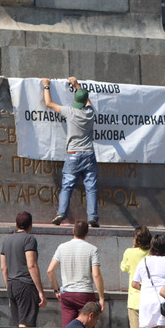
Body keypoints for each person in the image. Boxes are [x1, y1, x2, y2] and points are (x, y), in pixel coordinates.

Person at [43, 76, 100, 227]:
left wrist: (46, 86)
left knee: (67, 186)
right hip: (89, 154)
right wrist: (77, 85)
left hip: (74, 155)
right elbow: (86, 100)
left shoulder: (70, 111)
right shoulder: (90, 112)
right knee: (91, 187)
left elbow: (48, 103)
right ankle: (93, 217)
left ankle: (61, 213)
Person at [120, 227, 165, 328]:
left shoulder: (130, 252)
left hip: (135, 300)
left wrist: (133, 248)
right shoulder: (154, 255)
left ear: (136, 239)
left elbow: (124, 267)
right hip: (154, 300)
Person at [48, 220, 105, 327]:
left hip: (67, 294)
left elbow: (50, 271)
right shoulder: (92, 249)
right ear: (87, 233)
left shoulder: (62, 247)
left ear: (73, 231)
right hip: (85, 294)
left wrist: (56, 290)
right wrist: (101, 297)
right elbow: (96, 275)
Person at [0, 211, 47, 327]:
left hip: (11, 284)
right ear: (31, 225)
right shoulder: (29, 240)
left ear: (16, 224)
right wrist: (40, 291)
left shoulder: (6, 241)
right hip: (26, 285)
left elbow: (3, 268)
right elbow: (31, 265)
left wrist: (9, 289)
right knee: (26, 326)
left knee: (18, 325)